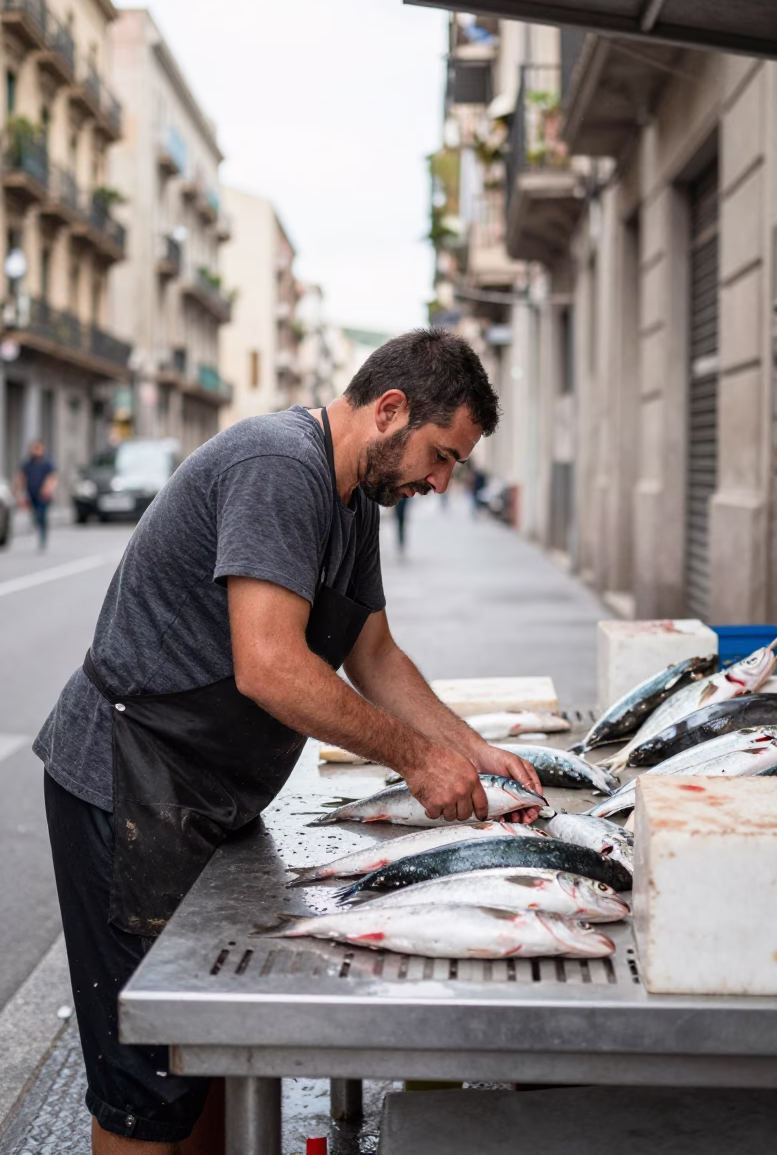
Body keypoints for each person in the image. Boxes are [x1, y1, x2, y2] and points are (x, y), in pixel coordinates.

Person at [34, 329, 542, 1155]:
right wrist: (417, 760)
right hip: (126, 783)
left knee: (205, 1050)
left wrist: (470, 747)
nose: (442, 482)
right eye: (442, 456)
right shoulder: (278, 467)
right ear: (390, 410)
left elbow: (374, 655)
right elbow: (269, 666)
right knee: (144, 1086)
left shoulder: (356, 500)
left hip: (205, 794)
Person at [16, 439, 57, 549]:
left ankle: (43, 537)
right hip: (31, 494)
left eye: (38, 449)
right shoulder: (27, 464)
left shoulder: (47, 463)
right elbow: (21, 477)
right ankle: (38, 527)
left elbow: (52, 477)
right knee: (34, 515)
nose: (36, 451)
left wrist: (48, 489)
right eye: (34, 449)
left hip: (43, 495)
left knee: (41, 514)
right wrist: (19, 493)